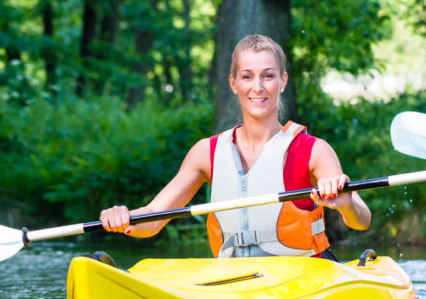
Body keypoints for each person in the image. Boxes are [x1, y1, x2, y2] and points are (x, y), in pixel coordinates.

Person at [99, 34, 371, 259]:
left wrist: (347, 204)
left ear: (283, 81)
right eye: (247, 77)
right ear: (233, 83)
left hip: (303, 279)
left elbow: (362, 219)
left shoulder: (313, 150)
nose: (258, 87)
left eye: (268, 76)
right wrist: (125, 217)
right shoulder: (206, 152)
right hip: (234, 283)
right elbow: (154, 218)